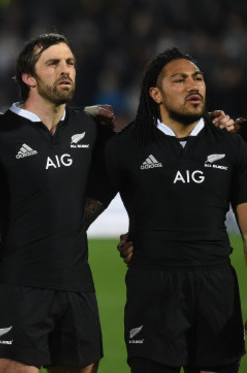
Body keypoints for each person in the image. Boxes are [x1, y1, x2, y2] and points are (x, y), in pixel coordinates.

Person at [99, 47, 247, 373]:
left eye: (198, 78)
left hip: (216, 286)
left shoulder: (231, 144)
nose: (193, 86)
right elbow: (81, 210)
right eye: (179, 80)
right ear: (156, 94)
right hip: (152, 285)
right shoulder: (125, 147)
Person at [0, 33, 116, 373]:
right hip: (20, 284)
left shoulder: (91, 127)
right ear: (28, 77)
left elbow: (124, 175)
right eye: (52, 64)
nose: (65, 70)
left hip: (77, 285)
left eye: (70, 62)